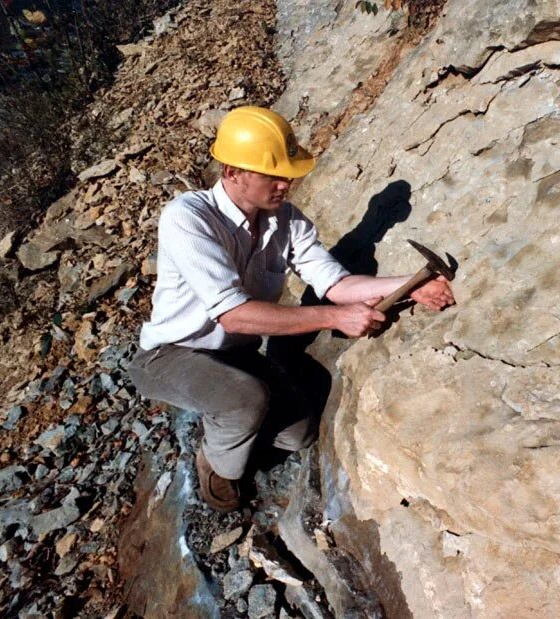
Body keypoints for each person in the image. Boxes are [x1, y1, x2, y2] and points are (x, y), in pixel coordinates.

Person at [128, 106, 455, 512]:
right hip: (170, 355)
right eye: (274, 175)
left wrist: (410, 285)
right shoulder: (188, 218)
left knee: (299, 433)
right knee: (244, 398)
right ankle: (215, 469)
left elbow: (336, 284)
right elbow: (234, 314)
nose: (287, 184)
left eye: (289, 174)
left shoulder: (286, 221)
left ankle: (233, 418)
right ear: (232, 172)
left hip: (235, 355)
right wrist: (336, 318)